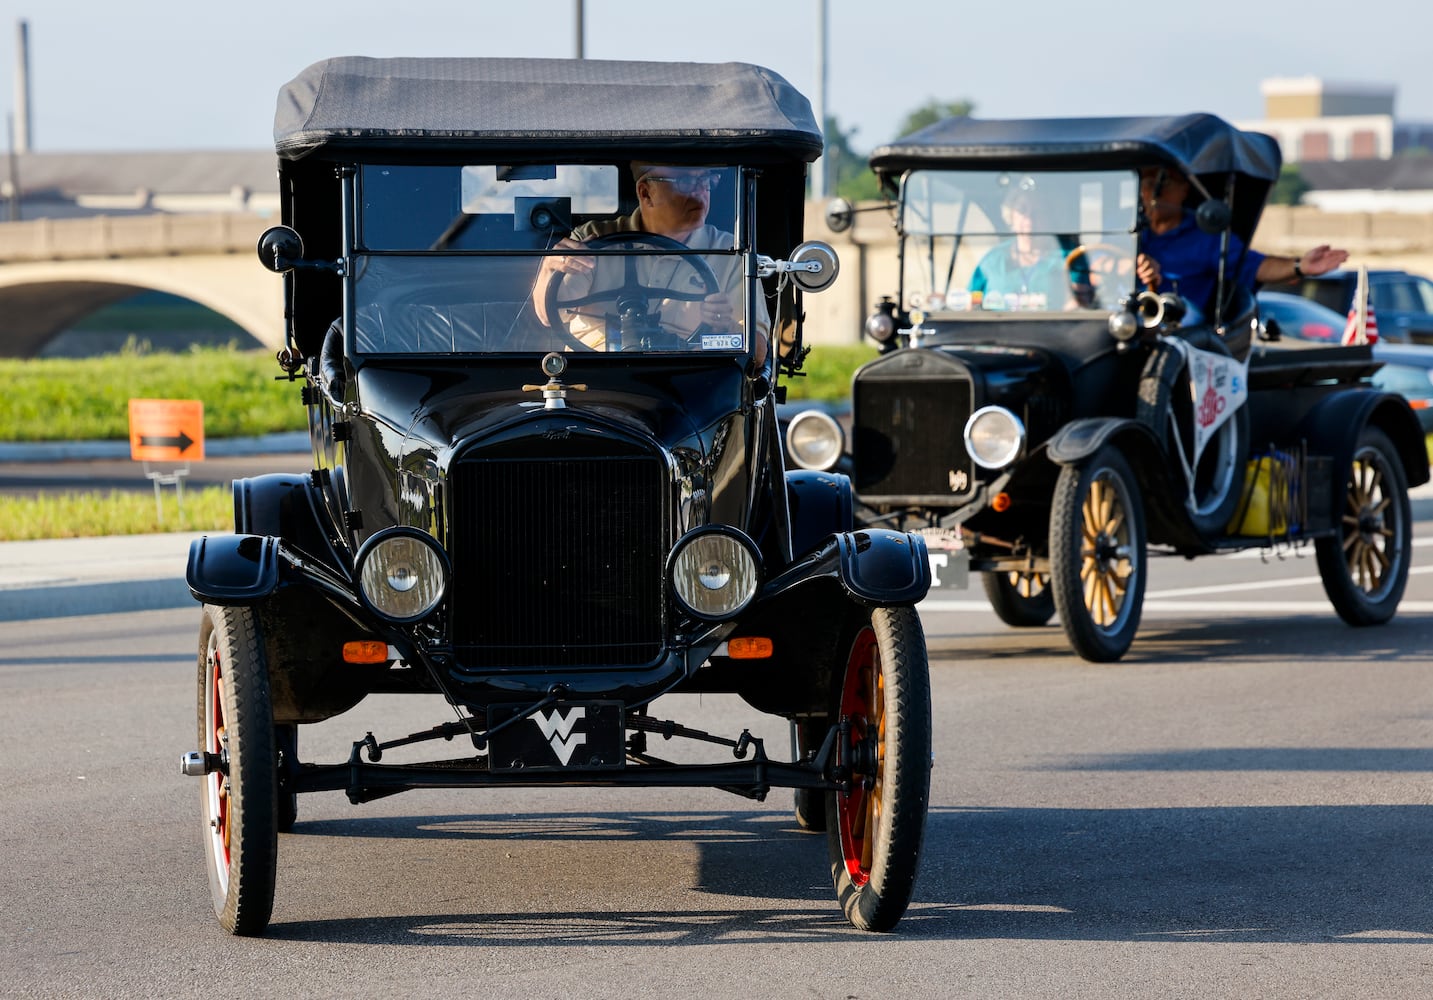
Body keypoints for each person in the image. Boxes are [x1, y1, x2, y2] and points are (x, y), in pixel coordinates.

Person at [532, 162, 768, 359]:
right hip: (593, 380)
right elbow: (548, 315)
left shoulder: (731, 253)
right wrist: (550, 268)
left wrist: (724, 326)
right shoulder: (591, 239)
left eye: (705, 180)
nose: (700, 192)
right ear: (645, 193)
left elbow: (757, 354)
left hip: (682, 383)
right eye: (686, 182)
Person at [1134, 166, 1348, 312]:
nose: (1154, 194)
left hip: (1182, 332)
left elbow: (1255, 266)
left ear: (1184, 189)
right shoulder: (1130, 234)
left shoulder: (1206, 240)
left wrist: (1301, 265)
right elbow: (1101, 265)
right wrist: (1117, 263)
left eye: (1163, 183)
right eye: (1149, 183)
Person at [968, 183, 1093, 311]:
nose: (1029, 219)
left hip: (1054, 329)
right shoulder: (992, 260)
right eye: (1022, 210)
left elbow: (1079, 304)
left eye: (1038, 212)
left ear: (1050, 218)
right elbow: (971, 305)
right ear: (1011, 216)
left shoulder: (1070, 256)